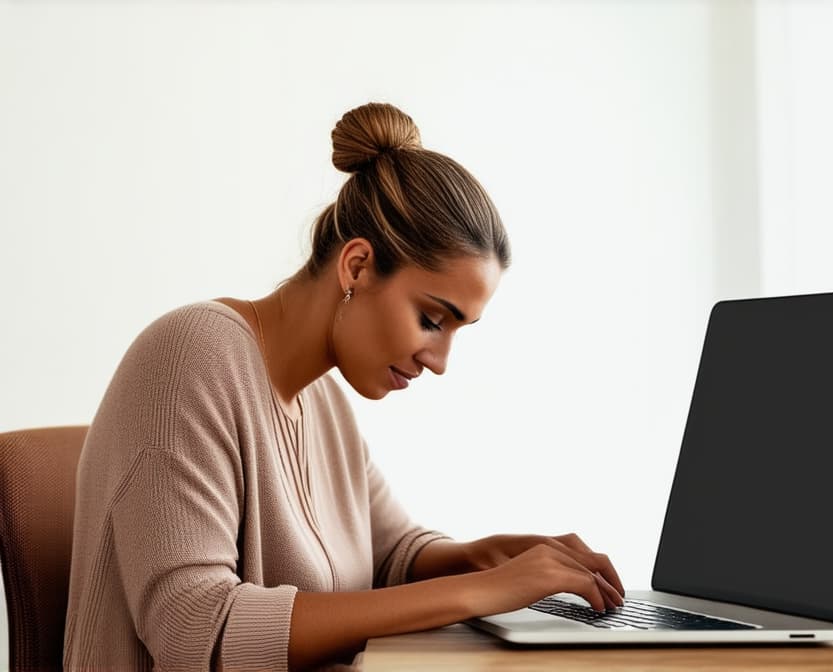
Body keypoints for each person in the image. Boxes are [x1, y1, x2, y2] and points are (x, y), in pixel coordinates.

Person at [63, 102, 625, 671]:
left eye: (457, 330)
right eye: (432, 319)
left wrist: (487, 559)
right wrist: (481, 593)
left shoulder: (322, 401)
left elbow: (391, 555)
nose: (439, 361)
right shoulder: (189, 357)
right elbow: (194, 630)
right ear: (357, 267)